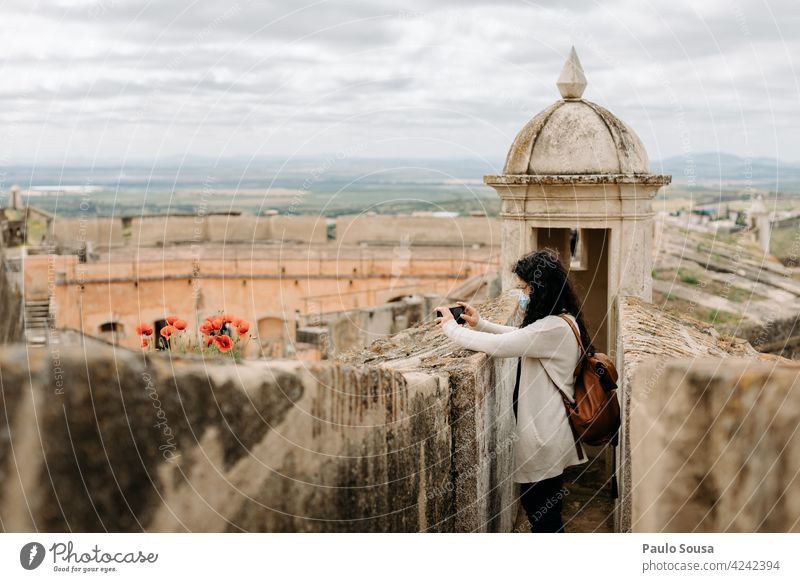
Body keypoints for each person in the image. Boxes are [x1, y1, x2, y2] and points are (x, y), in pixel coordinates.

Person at [435, 248, 594, 533]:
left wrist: (450, 327)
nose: (524, 294)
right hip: (552, 432)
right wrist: (480, 323)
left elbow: (502, 347)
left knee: (542, 516)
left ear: (540, 289)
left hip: (544, 437)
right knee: (546, 513)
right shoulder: (564, 320)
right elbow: (522, 338)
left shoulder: (552, 328)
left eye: (526, 288)